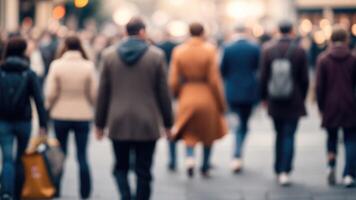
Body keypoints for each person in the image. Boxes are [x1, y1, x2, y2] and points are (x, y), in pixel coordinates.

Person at [95, 17, 173, 200]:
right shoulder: (156, 56)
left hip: (118, 121)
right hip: (147, 123)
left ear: (125, 32)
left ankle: (126, 196)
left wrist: (99, 124)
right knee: (143, 170)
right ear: (142, 32)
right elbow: (164, 94)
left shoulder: (109, 56)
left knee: (120, 168)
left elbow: (103, 93)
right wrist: (168, 123)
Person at [169, 22, 227, 178]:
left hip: (187, 94)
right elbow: (215, 81)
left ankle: (189, 159)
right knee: (208, 133)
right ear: (203, 33)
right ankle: (205, 165)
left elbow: (173, 80)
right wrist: (221, 103)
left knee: (189, 131)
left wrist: (177, 94)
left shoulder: (179, 51)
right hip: (206, 95)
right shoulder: (210, 50)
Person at [45, 36, 97, 199]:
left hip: (60, 114)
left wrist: (47, 109)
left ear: (65, 47)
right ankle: (85, 191)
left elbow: (51, 93)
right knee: (82, 155)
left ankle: (57, 188)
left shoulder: (57, 65)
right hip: (82, 115)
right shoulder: (88, 66)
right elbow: (94, 94)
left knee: (60, 153)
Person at [260, 21, 309, 186]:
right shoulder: (299, 50)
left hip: (274, 99)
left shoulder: (267, 50)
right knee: (289, 135)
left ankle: (277, 167)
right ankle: (285, 170)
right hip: (294, 99)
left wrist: (264, 98)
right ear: (292, 31)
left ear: (277, 30)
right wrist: (302, 97)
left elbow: (263, 77)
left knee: (278, 133)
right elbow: (305, 79)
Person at [0, 36, 47, 200]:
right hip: (24, 121)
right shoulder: (29, 73)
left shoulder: (1, 71)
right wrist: (43, 124)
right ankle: (19, 193)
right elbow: (39, 101)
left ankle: (6, 192)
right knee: (21, 158)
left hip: (3, 121)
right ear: (23, 51)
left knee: (6, 159)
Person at [316, 26, 356, 187]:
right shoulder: (353, 59)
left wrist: (320, 107)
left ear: (331, 39)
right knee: (350, 139)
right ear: (346, 40)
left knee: (331, 138)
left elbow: (319, 87)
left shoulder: (323, 59)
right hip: (350, 104)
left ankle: (331, 166)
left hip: (330, 105)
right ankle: (349, 174)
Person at [220, 24, 260, 173]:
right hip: (250, 91)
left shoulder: (227, 48)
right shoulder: (254, 47)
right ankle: (238, 153)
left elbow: (222, 69)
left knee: (236, 122)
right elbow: (258, 68)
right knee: (244, 123)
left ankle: (236, 154)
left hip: (232, 91)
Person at [157, 31, 179, 171]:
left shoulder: (158, 49)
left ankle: (172, 159)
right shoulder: (177, 48)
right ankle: (175, 158)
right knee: (173, 124)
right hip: (177, 91)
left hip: (164, 85)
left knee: (170, 125)